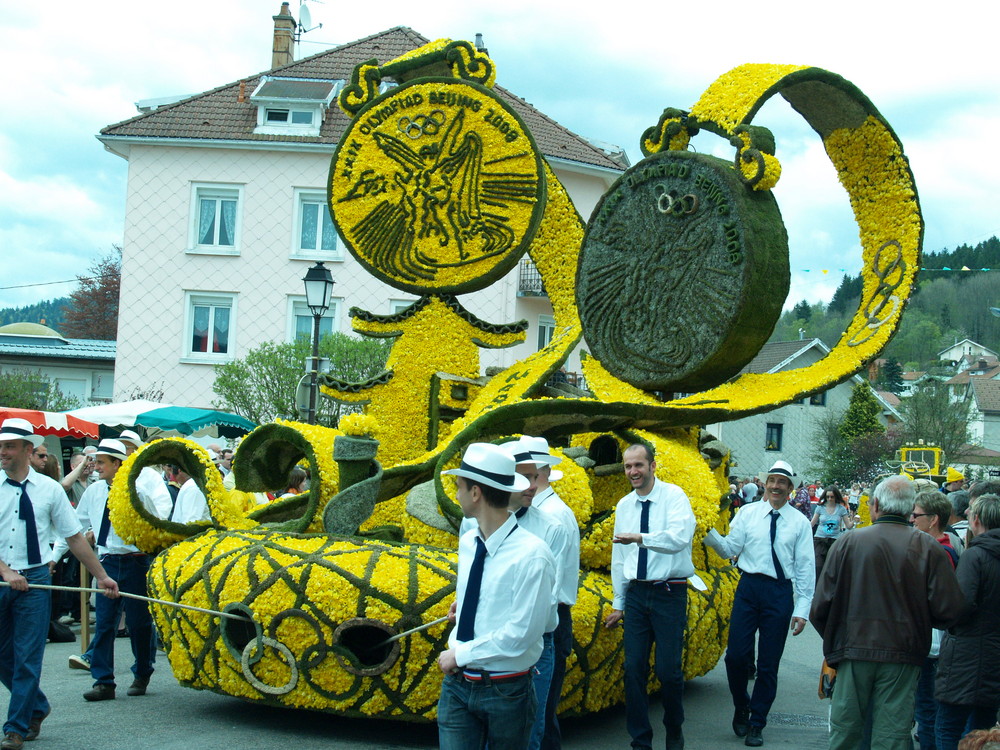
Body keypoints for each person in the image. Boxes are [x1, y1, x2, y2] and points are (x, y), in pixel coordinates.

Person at [811, 474, 964, 750]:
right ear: (909, 509)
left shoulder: (848, 543)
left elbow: (820, 606)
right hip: (903, 654)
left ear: (876, 504)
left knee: (846, 732)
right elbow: (949, 610)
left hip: (853, 650)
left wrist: (836, 644)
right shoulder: (929, 547)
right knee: (891, 736)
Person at [0, 418, 119, 750]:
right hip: (2, 579)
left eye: (9, 446)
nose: (3, 452)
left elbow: (75, 538)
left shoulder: (50, 490)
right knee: (3, 657)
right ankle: (36, 705)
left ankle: (16, 728)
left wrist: (101, 576)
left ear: (27, 449)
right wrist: (6, 572)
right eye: (1, 446)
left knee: (27, 657)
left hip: (36, 582)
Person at [436, 442, 555, 750]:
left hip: (507, 690)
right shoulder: (469, 542)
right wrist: (466, 608)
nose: (457, 492)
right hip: (457, 685)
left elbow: (521, 634)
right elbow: (487, 594)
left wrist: (459, 654)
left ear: (476, 493)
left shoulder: (533, 555)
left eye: (459, 485)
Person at [704, 460, 814, 747]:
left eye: (782, 482)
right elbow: (729, 550)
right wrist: (705, 531)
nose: (776, 486)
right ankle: (742, 704)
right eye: (772, 481)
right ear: (765, 484)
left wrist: (802, 610)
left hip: (779, 593)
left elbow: (805, 569)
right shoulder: (747, 514)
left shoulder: (800, 523)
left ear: (790, 488)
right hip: (749, 587)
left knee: (768, 663)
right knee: (736, 657)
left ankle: (757, 722)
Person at [603, 443, 695, 750]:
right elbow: (619, 559)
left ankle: (674, 728)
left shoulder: (674, 497)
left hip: (670, 591)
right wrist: (619, 603)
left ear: (653, 466)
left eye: (638, 465)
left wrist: (641, 538)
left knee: (669, 672)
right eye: (628, 466)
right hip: (637, 595)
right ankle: (640, 740)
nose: (632, 472)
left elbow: (679, 539)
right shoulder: (625, 505)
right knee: (633, 669)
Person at [53, 439, 159, 702]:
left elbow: (155, 528)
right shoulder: (94, 491)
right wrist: (54, 557)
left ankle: (143, 672)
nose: (96, 467)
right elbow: (73, 527)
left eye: (101, 462)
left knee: (139, 624)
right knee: (104, 624)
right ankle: (104, 681)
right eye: (96, 461)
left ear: (117, 464)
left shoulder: (138, 492)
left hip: (135, 562)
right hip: (106, 563)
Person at [518, 435, 579, 750]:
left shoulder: (553, 516)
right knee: (540, 717)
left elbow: (545, 590)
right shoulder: (535, 512)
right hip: (541, 617)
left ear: (538, 474)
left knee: (538, 719)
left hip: (547, 620)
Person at [934, 493, 1000, 750]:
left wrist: (943, 617)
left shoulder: (976, 556)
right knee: (982, 730)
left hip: (966, 655)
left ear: (976, 520)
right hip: (994, 654)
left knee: (948, 726)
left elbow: (961, 605)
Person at [910, 490, 961, 750]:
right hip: (933, 643)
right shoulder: (941, 548)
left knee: (928, 714)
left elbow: (941, 602)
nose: (911, 519)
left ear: (933, 519)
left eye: (916, 515)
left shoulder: (939, 552)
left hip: (933, 646)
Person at [811, 486, 853, 582]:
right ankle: (818, 589)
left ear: (836, 497)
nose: (830, 499)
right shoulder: (820, 508)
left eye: (832, 497)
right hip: (820, 539)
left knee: (833, 567)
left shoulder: (841, 509)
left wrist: (854, 521)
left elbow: (849, 526)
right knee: (818, 566)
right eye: (828, 497)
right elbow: (812, 524)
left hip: (834, 541)